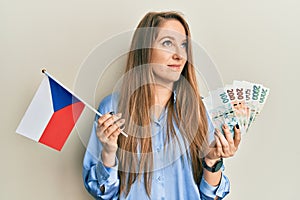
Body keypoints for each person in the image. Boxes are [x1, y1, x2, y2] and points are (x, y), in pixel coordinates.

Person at [82, 11, 241, 200]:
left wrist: (212, 161)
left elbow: (211, 197)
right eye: (167, 43)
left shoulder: (198, 109)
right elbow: (103, 192)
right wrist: (109, 151)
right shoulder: (112, 107)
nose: (179, 55)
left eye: (183, 45)